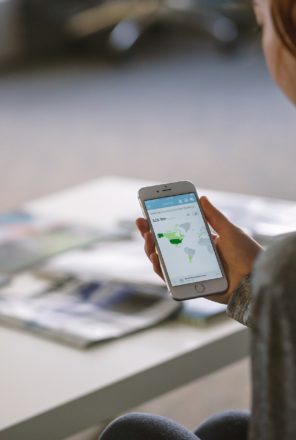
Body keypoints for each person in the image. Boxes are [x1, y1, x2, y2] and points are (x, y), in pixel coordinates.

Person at [100, 0, 296, 438]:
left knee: (134, 434)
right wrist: (248, 288)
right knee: (223, 428)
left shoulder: (288, 269)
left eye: (263, 24)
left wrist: (277, 281)